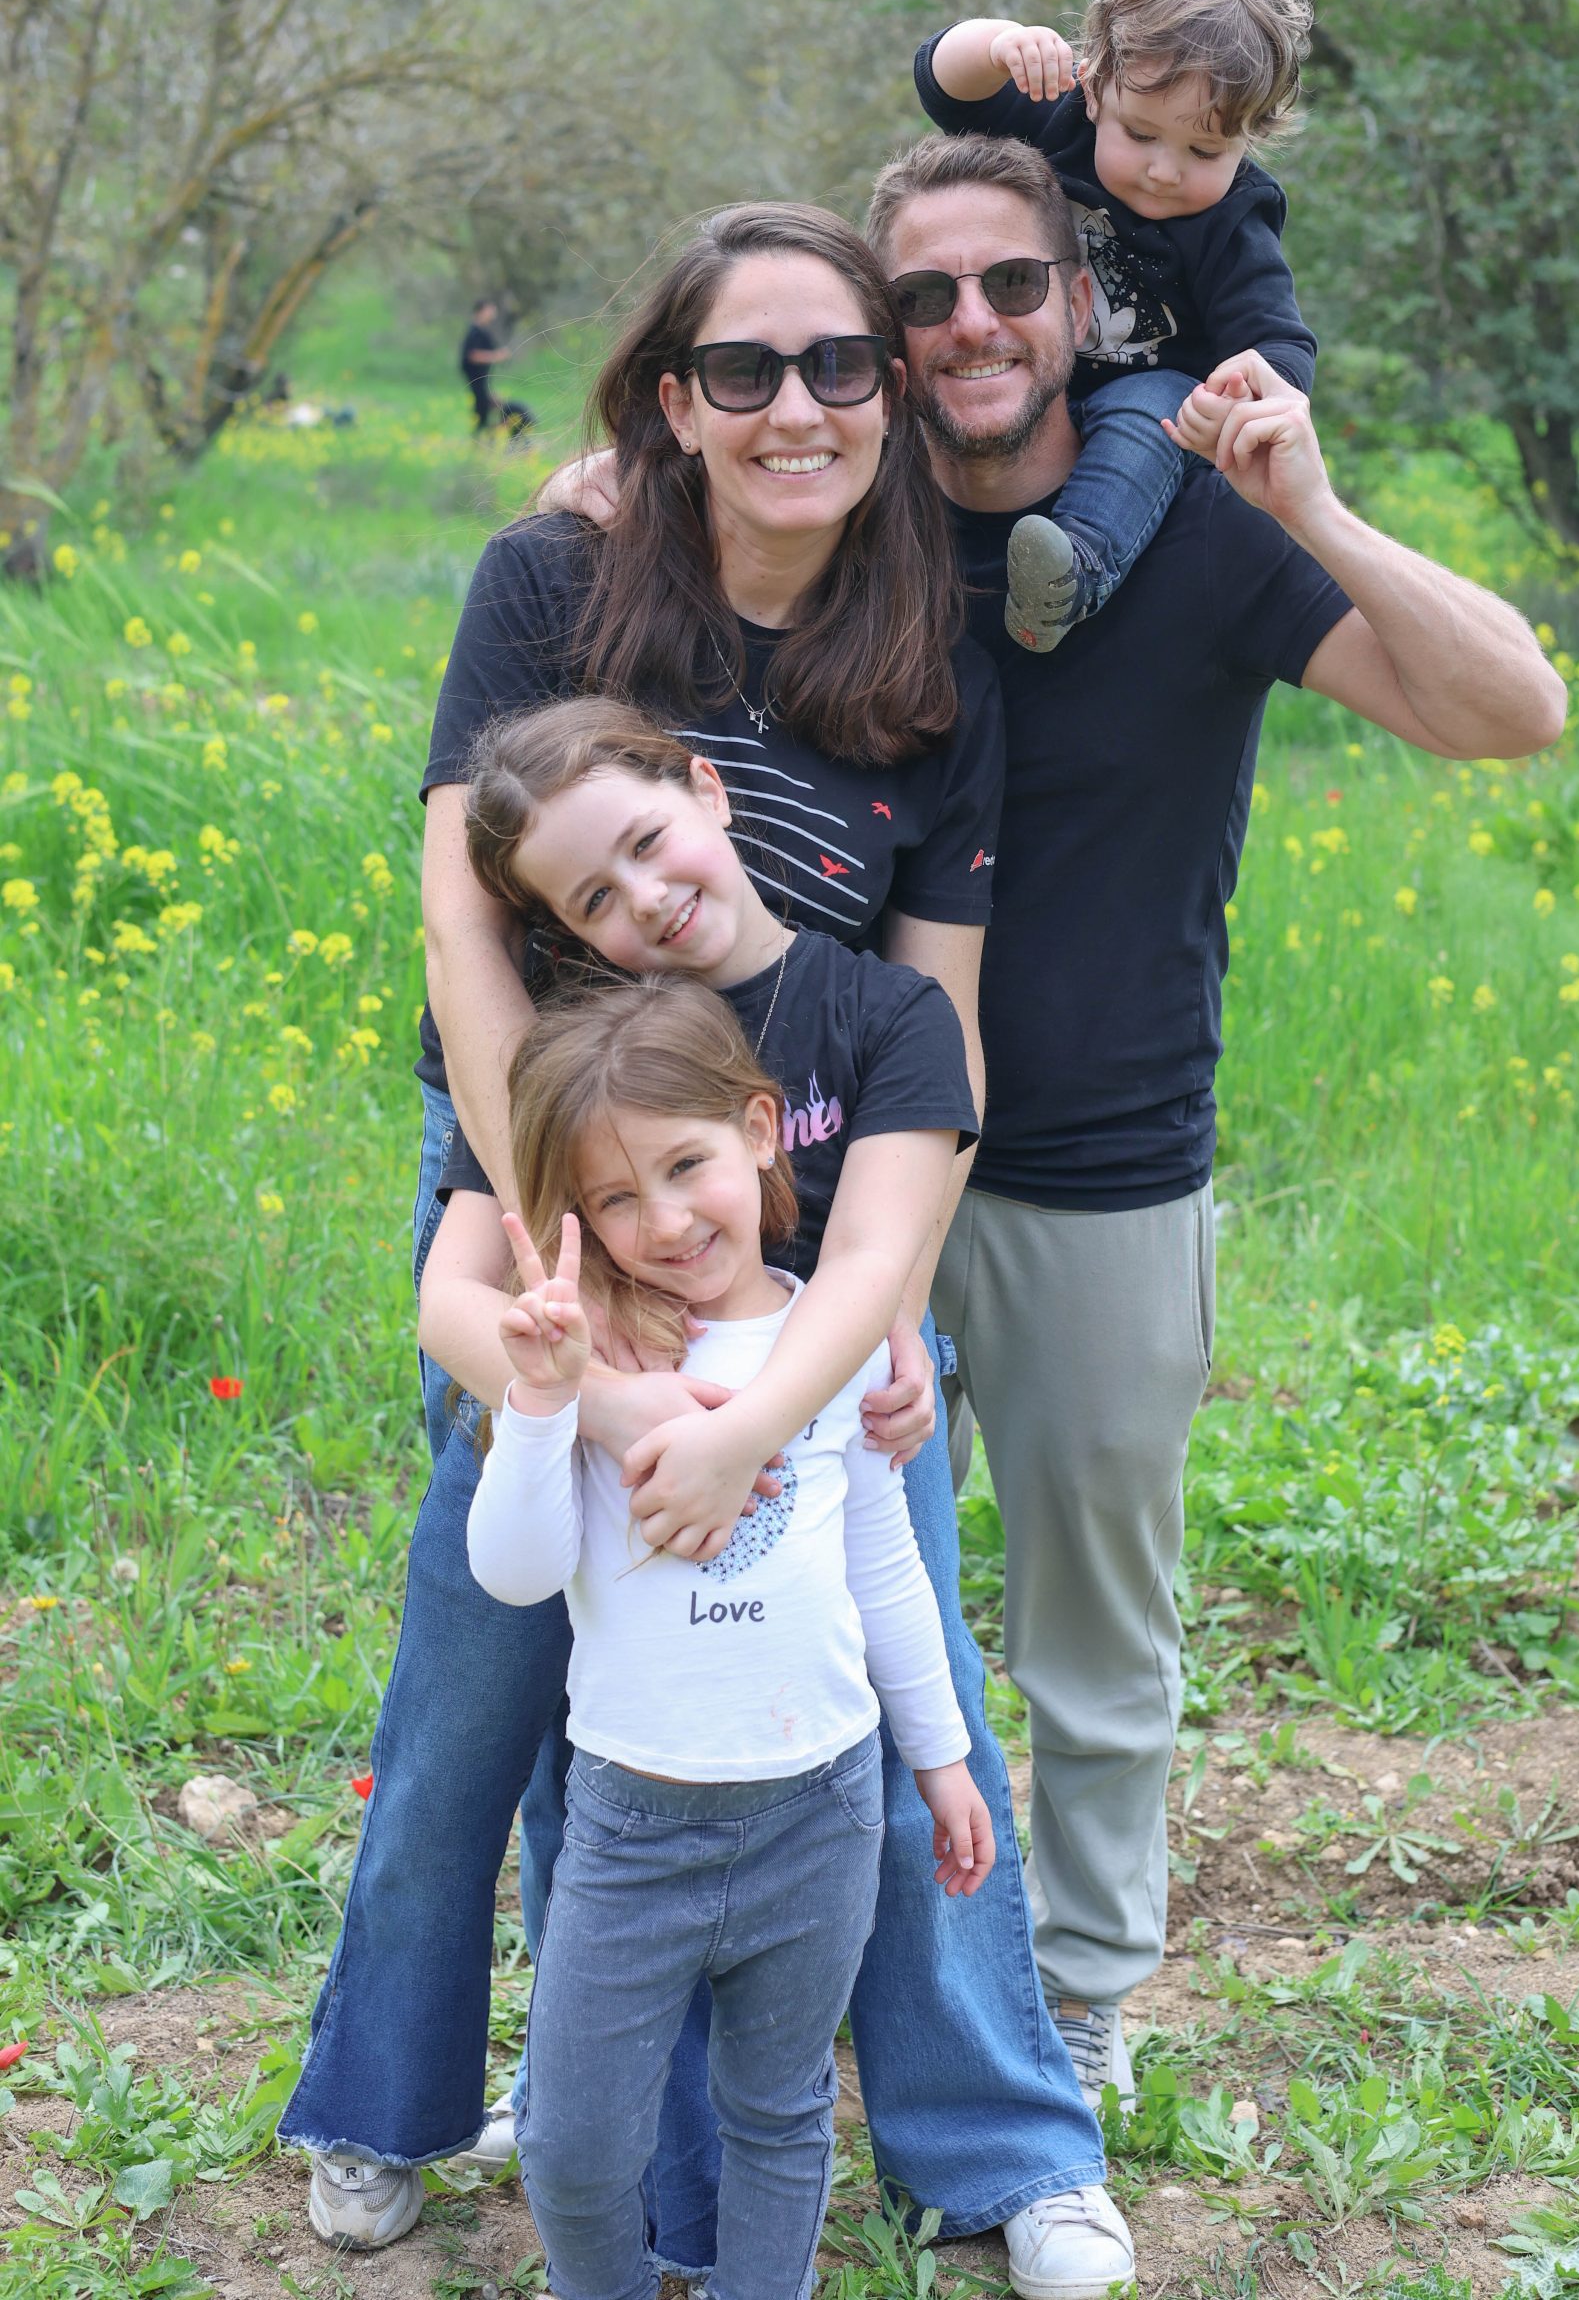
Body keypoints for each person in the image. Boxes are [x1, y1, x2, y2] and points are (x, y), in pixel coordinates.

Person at [540, 132, 1564, 2126]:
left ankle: (1078, 2001)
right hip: (820, 1181)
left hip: (1103, 1167)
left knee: (1093, 1639)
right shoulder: (859, 522)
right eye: (920, 300)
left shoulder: (1193, 526)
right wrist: (599, 486)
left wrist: (1310, 508)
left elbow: (1507, 710)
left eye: (1011, 283)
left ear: (1083, 303)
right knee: (774, 1608)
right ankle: (771, 2012)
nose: (971, 327)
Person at [283, 203, 1124, 2300]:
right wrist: (581, 1299)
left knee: (889, 1665)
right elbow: (465, 910)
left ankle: (1001, 2145)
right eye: (741, 371)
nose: (794, 407)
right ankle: (398, 2102)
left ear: (890, 388)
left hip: (804, 1215)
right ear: (672, 398)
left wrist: (855, 1319)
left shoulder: (933, 650)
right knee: (493, 1681)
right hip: (546, 1177)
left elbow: (930, 1020)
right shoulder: (556, 577)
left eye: (837, 362)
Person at [452, 976, 993, 2300]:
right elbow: (515, 1573)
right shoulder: (602, 1362)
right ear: (578, 1219)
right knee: (576, 2142)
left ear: (758, 1130)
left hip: (816, 1808)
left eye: (685, 1164)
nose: (665, 1219)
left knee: (780, 2108)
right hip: (634, 1828)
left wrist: (941, 1759)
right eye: (616, 1198)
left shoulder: (830, 1341)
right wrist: (542, 1400)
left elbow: (885, 1568)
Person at [915, 0, 1315, 652]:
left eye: (1204, 150)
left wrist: (1237, 397)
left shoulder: (1235, 220)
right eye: (1140, 135)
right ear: (1094, 87)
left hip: (1141, 397)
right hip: (1020, 364)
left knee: (1150, 410)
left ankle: (1072, 573)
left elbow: (1279, 346)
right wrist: (998, 44)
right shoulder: (1059, 122)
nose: (1164, 169)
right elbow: (941, 86)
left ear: (1250, 137)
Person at [460, 298, 535, 439]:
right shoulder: (474, 332)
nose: (493, 313)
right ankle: (481, 440)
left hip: (483, 380)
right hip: (476, 378)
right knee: (482, 410)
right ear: (480, 312)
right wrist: (496, 356)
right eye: (489, 310)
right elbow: (472, 355)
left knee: (489, 407)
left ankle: (488, 438)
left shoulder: (483, 331)